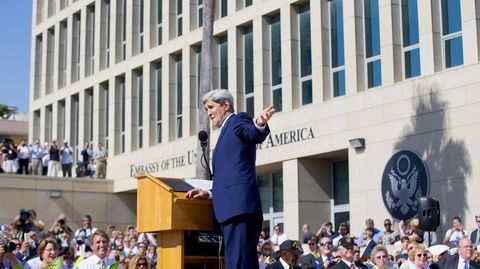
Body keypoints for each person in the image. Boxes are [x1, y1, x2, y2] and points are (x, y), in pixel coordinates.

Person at [185, 89, 275, 269]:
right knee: (241, 264)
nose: (208, 113)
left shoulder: (237, 120)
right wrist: (208, 193)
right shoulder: (226, 131)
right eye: (206, 109)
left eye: (211, 107)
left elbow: (252, 133)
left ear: (225, 105)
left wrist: (260, 123)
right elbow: (228, 176)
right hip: (232, 210)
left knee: (239, 264)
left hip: (238, 209)